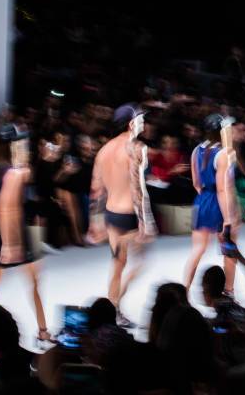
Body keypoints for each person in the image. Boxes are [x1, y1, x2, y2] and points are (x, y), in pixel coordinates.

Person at [0, 124, 51, 342]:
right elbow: (7, 209)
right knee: (33, 283)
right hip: (11, 237)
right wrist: (10, 244)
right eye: (21, 142)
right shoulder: (14, 173)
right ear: (11, 146)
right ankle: (43, 332)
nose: (25, 145)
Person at [87, 103, 157, 327]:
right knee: (141, 262)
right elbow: (138, 187)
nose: (143, 123)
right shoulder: (136, 148)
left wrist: (94, 223)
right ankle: (115, 305)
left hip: (111, 214)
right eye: (140, 119)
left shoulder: (103, 150)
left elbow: (96, 190)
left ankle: (112, 310)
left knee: (118, 263)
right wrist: (145, 221)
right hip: (129, 215)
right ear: (130, 123)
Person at [183, 113, 240, 295]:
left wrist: (205, 197)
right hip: (218, 201)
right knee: (229, 249)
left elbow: (196, 183)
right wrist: (228, 219)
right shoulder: (223, 154)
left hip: (201, 200)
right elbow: (223, 190)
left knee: (197, 249)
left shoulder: (196, 150)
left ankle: (184, 290)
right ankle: (229, 291)